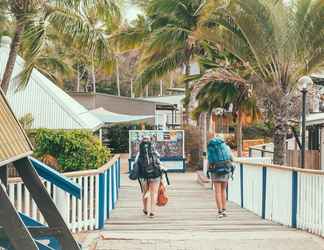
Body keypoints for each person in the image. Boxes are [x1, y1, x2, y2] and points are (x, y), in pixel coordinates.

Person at [134, 136, 162, 218]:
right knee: (154, 193)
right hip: (155, 175)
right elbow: (159, 161)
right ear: (151, 142)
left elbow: (135, 163)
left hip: (143, 175)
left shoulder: (140, 153)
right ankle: (152, 211)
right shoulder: (154, 152)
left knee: (145, 192)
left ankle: (145, 209)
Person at [207, 135, 234, 218]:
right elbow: (231, 158)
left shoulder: (212, 148)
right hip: (225, 169)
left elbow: (209, 160)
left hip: (215, 170)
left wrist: (208, 170)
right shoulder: (226, 147)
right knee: (223, 190)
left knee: (217, 192)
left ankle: (220, 212)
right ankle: (224, 209)